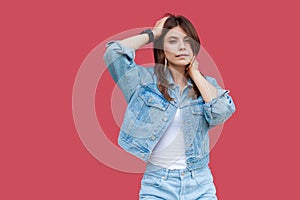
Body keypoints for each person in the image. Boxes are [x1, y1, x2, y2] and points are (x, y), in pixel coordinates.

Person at [103, 14, 236, 200]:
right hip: (158, 185)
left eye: (188, 42)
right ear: (162, 48)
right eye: (172, 41)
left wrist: (194, 72)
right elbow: (113, 54)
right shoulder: (143, 82)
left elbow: (221, 112)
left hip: (200, 183)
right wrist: (153, 34)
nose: (182, 47)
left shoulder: (207, 85)